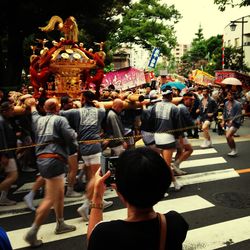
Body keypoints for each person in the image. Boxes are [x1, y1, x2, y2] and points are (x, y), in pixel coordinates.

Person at [87, 147, 189, 250]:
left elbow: (92, 240)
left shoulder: (105, 234)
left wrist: (97, 196)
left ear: (118, 189)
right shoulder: (175, 222)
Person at [24, 97, 78, 247]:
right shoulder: (60, 120)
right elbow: (70, 137)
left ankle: (60, 223)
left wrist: (32, 105)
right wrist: (74, 141)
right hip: (54, 160)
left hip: (42, 159)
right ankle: (32, 232)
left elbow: (33, 112)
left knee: (59, 192)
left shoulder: (38, 120)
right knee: (50, 198)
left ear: (46, 108)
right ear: (57, 108)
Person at [60, 90, 113, 221]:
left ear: (83, 99)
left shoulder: (76, 112)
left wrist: (77, 106)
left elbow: (61, 112)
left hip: (83, 148)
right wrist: (98, 103)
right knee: (98, 176)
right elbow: (102, 107)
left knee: (91, 176)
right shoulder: (99, 111)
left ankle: (99, 198)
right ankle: (85, 205)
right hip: (94, 146)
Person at [150, 85, 183, 191]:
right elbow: (178, 126)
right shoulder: (174, 108)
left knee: (164, 164)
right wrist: (179, 139)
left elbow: (151, 122)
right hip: (168, 138)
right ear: (171, 95)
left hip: (157, 136)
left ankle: (175, 183)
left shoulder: (155, 106)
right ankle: (161, 188)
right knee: (166, 166)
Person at [0, 102, 18, 206]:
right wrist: (4, 155)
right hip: (6, 153)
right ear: (4, 111)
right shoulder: (1, 121)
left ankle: (3, 198)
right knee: (13, 176)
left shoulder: (4, 120)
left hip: (8, 152)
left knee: (9, 176)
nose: (13, 111)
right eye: (11, 109)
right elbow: (1, 140)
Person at [173, 93, 195, 175]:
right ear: (185, 99)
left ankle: (176, 169)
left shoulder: (179, 106)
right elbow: (190, 121)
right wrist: (196, 124)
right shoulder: (183, 108)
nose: (192, 102)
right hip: (180, 133)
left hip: (177, 133)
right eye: (190, 100)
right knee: (189, 149)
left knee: (179, 151)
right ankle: (176, 165)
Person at [221, 91, 242, 156]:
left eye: (231, 95)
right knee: (228, 137)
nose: (230, 96)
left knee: (228, 135)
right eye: (229, 95)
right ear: (227, 96)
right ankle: (233, 149)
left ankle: (234, 150)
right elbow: (224, 112)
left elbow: (238, 114)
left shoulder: (237, 104)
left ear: (234, 96)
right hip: (227, 122)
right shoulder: (226, 103)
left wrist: (232, 121)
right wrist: (223, 121)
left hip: (235, 122)